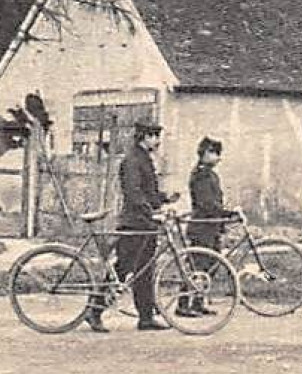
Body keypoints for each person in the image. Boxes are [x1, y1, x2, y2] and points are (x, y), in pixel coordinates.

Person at [84, 120, 177, 333]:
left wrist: (164, 199)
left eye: (157, 135)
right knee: (123, 268)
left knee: (145, 271)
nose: (157, 140)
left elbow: (148, 192)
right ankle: (94, 310)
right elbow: (134, 194)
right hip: (134, 223)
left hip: (145, 224)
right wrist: (152, 213)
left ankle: (145, 318)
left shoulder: (144, 159)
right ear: (144, 137)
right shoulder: (132, 160)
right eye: (154, 135)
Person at [180, 136, 238, 318]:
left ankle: (198, 303)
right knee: (198, 267)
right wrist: (228, 213)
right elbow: (207, 204)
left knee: (210, 266)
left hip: (211, 227)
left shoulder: (210, 174)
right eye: (214, 153)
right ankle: (183, 304)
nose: (217, 158)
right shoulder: (201, 175)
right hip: (202, 227)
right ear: (204, 154)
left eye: (218, 154)